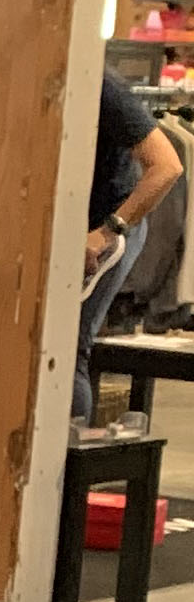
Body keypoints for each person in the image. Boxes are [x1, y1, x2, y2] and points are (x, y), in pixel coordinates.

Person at [75, 72, 181, 421]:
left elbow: (167, 166)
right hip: (68, 225)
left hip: (107, 225)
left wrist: (108, 231)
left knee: (67, 346)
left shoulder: (100, 84)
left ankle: (63, 450)